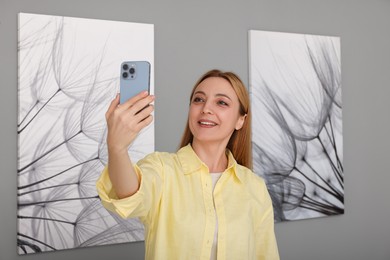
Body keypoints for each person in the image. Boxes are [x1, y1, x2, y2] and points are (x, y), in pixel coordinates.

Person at [96, 69, 280, 260]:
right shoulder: (161, 169)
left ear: (240, 120)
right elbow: (130, 195)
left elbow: (266, 255)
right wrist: (117, 148)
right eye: (199, 100)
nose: (206, 108)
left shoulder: (255, 187)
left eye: (221, 102)